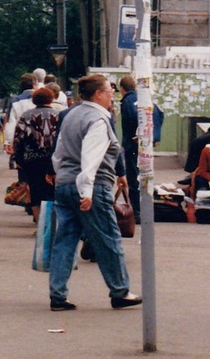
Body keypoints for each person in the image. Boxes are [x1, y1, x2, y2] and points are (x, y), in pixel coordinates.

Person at [47, 74, 142, 312]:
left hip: (65, 184)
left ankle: (57, 294)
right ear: (98, 94)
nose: (113, 96)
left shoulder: (71, 115)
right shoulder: (99, 119)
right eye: (110, 91)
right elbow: (90, 158)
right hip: (92, 185)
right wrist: (86, 191)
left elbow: (58, 152)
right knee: (108, 238)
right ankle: (120, 291)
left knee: (65, 241)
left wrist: (62, 176)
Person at [11, 87, 60, 224]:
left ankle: (40, 226)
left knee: (35, 192)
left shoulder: (26, 116)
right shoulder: (59, 115)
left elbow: (18, 139)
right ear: (51, 99)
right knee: (51, 192)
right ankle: (51, 225)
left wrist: (18, 158)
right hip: (54, 160)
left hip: (32, 160)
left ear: (34, 100)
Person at [118, 76, 141, 222]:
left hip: (131, 142)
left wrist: (132, 135)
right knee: (139, 176)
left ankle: (137, 212)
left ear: (122, 88)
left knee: (132, 177)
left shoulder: (127, 101)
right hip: (140, 143)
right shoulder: (140, 99)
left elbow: (130, 119)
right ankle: (140, 209)